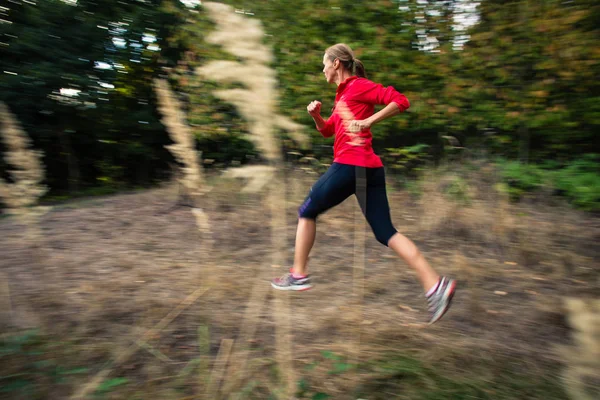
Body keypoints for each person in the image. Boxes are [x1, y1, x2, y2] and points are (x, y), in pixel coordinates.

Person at [271, 43, 456, 324]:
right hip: (369, 169)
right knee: (386, 233)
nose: (322, 69)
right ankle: (435, 286)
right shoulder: (343, 95)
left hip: (350, 165)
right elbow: (328, 130)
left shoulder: (358, 86)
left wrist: (370, 120)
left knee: (306, 211)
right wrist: (316, 116)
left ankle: (298, 275)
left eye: (324, 63)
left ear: (336, 64)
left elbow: (400, 100)